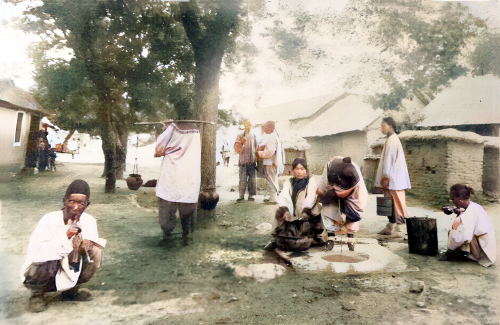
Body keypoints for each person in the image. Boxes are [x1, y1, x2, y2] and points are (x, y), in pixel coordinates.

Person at [21, 180, 106, 313]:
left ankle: (70, 291)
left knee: (96, 252)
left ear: (87, 205)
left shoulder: (89, 221)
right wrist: (66, 236)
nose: (75, 207)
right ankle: (37, 295)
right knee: (51, 257)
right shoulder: (49, 219)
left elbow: (88, 250)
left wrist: (85, 247)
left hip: (70, 268)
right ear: (64, 201)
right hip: (44, 269)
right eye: (71, 201)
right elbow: (36, 253)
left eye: (81, 203)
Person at [155, 122, 201, 245]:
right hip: (189, 172)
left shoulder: (172, 128)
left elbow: (159, 147)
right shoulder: (196, 130)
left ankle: (167, 235)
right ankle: (187, 235)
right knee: (186, 202)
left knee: (167, 202)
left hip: (172, 171)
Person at [265, 158, 325, 251]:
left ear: (306, 170)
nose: (299, 172)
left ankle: (317, 236)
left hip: (307, 212)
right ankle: (276, 238)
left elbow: (311, 198)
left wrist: (305, 212)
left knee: (316, 211)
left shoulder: (310, 181)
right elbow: (284, 197)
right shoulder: (289, 182)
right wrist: (286, 211)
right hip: (294, 214)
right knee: (279, 212)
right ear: (293, 170)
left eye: (302, 169)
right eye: (296, 169)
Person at [317, 157, 368, 251]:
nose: (339, 193)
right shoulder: (329, 168)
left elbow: (357, 213)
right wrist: (326, 195)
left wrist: (347, 225)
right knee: (328, 207)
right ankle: (330, 237)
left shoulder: (359, 188)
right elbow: (321, 192)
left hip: (351, 192)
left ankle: (350, 237)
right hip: (332, 181)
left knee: (353, 212)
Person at [374, 117, 411, 235]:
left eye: (383, 126)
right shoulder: (391, 139)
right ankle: (392, 226)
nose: (382, 128)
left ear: (390, 126)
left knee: (395, 204)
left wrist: (386, 177)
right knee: (393, 203)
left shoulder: (392, 140)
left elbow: (389, 161)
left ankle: (397, 228)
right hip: (394, 178)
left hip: (392, 178)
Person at [443, 184, 496, 267]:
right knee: (459, 230)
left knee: (455, 232)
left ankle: (458, 253)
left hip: (483, 249)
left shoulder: (471, 211)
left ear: (460, 199)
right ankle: (462, 251)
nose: (453, 201)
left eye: (453, 199)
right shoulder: (473, 206)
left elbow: (466, 237)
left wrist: (451, 248)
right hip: (483, 242)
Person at [256, 121, 283, 203]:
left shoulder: (272, 137)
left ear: (271, 128)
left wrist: (259, 153)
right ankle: (273, 196)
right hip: (272, 161)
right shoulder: (273, 136)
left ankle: (273, 198)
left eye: (266, 127)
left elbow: (270, 151)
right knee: (272, 179)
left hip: (270, 162)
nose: (265, 129)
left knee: (271, 179)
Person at [234, 120, 257, 202]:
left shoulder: (253, 135)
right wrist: (241, 142)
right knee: (243, 179)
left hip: (252, 161)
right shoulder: (240, 135)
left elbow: (255, 147)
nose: (248, 127)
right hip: (243, 161)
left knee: (252, 179)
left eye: (249, 125)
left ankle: (251, 196)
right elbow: (237, 149)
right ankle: (241, 196)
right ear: (244, 125)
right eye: (246, 125)